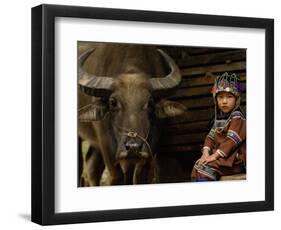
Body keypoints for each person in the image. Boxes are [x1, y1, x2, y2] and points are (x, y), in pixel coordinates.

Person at [191, 72, 246, 181]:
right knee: (197, 167)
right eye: (220, 97)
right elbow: (210, 137)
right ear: (215, 99)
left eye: (229, 97)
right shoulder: (219, 118)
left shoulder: (237, 117)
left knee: (203, 170)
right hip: (221, 158)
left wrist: (214, 156)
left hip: (233, 160)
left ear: (236, 99)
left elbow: (231, 140)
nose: (224, 101)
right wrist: (205, 154)